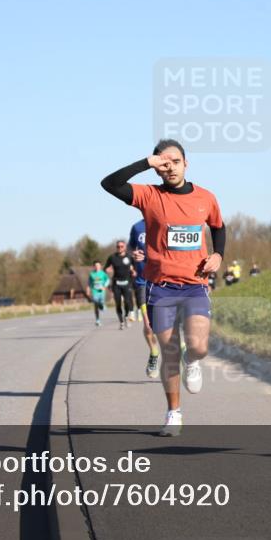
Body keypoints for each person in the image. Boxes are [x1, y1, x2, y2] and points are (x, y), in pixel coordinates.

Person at [101, 139, 225, 436]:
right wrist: (146, 162)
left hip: (194, 286)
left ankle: (191, 361)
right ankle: (174, 412)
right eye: (164, 163)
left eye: (175, 162)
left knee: (198, 346)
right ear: (158, 169)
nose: (170, 167)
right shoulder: (148, 196)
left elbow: (219, 227)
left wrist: (218, 255)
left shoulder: (205, 198)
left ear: (186, 163)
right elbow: (109, 183)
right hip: (161, 288)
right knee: (168, 351)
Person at [129, 219, 162, 379]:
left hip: (162, 281)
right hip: (142, 282)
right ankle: (154, 353)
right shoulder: (137, 227)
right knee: (149, 326)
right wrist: (133, 255)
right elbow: (131, 249)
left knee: (169, 323)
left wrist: (148, 258)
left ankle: (181, 352)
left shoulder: (164, 221)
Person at [105, 240, 136, 330]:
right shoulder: (112, 257)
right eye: (118, 246)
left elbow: (135, 269)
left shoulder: (130, 257)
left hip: (127, 283)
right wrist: (107, 270)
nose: (120, 248)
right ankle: (121, 322)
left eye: (121, 246)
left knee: (127, 301)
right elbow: (105, 268)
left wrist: (134, 272)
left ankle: (126, 316)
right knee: (118, 303)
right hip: (116, 283)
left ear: (125, 247)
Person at [86, 261, 109, 326]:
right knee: (96, 304)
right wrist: (88, 290)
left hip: (102, 292)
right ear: (94, 266)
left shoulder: (103, 273)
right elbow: (89, 283)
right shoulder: (91, 274)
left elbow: (107, 280)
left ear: (100, 266)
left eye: (98, 265)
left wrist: (104, 287)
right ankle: (97, 320)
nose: (97, 267)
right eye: (95, 266)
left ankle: (102, 306)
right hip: (94, 291)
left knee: (101, 303)